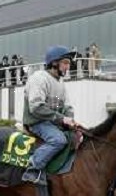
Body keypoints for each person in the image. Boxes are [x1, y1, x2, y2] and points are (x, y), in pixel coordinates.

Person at [21, 46, 78, 186]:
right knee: (58, 140)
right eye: (65, 63)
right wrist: (62, 119)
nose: (67, 67)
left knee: (77, 138)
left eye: (68, 63)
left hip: (52, 123)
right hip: (36, 122)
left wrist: (70, 119)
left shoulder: (61, 83)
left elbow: (68, 107)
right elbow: (36, 107)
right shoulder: (39, 78)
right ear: (54, 63)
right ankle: (32, 168)